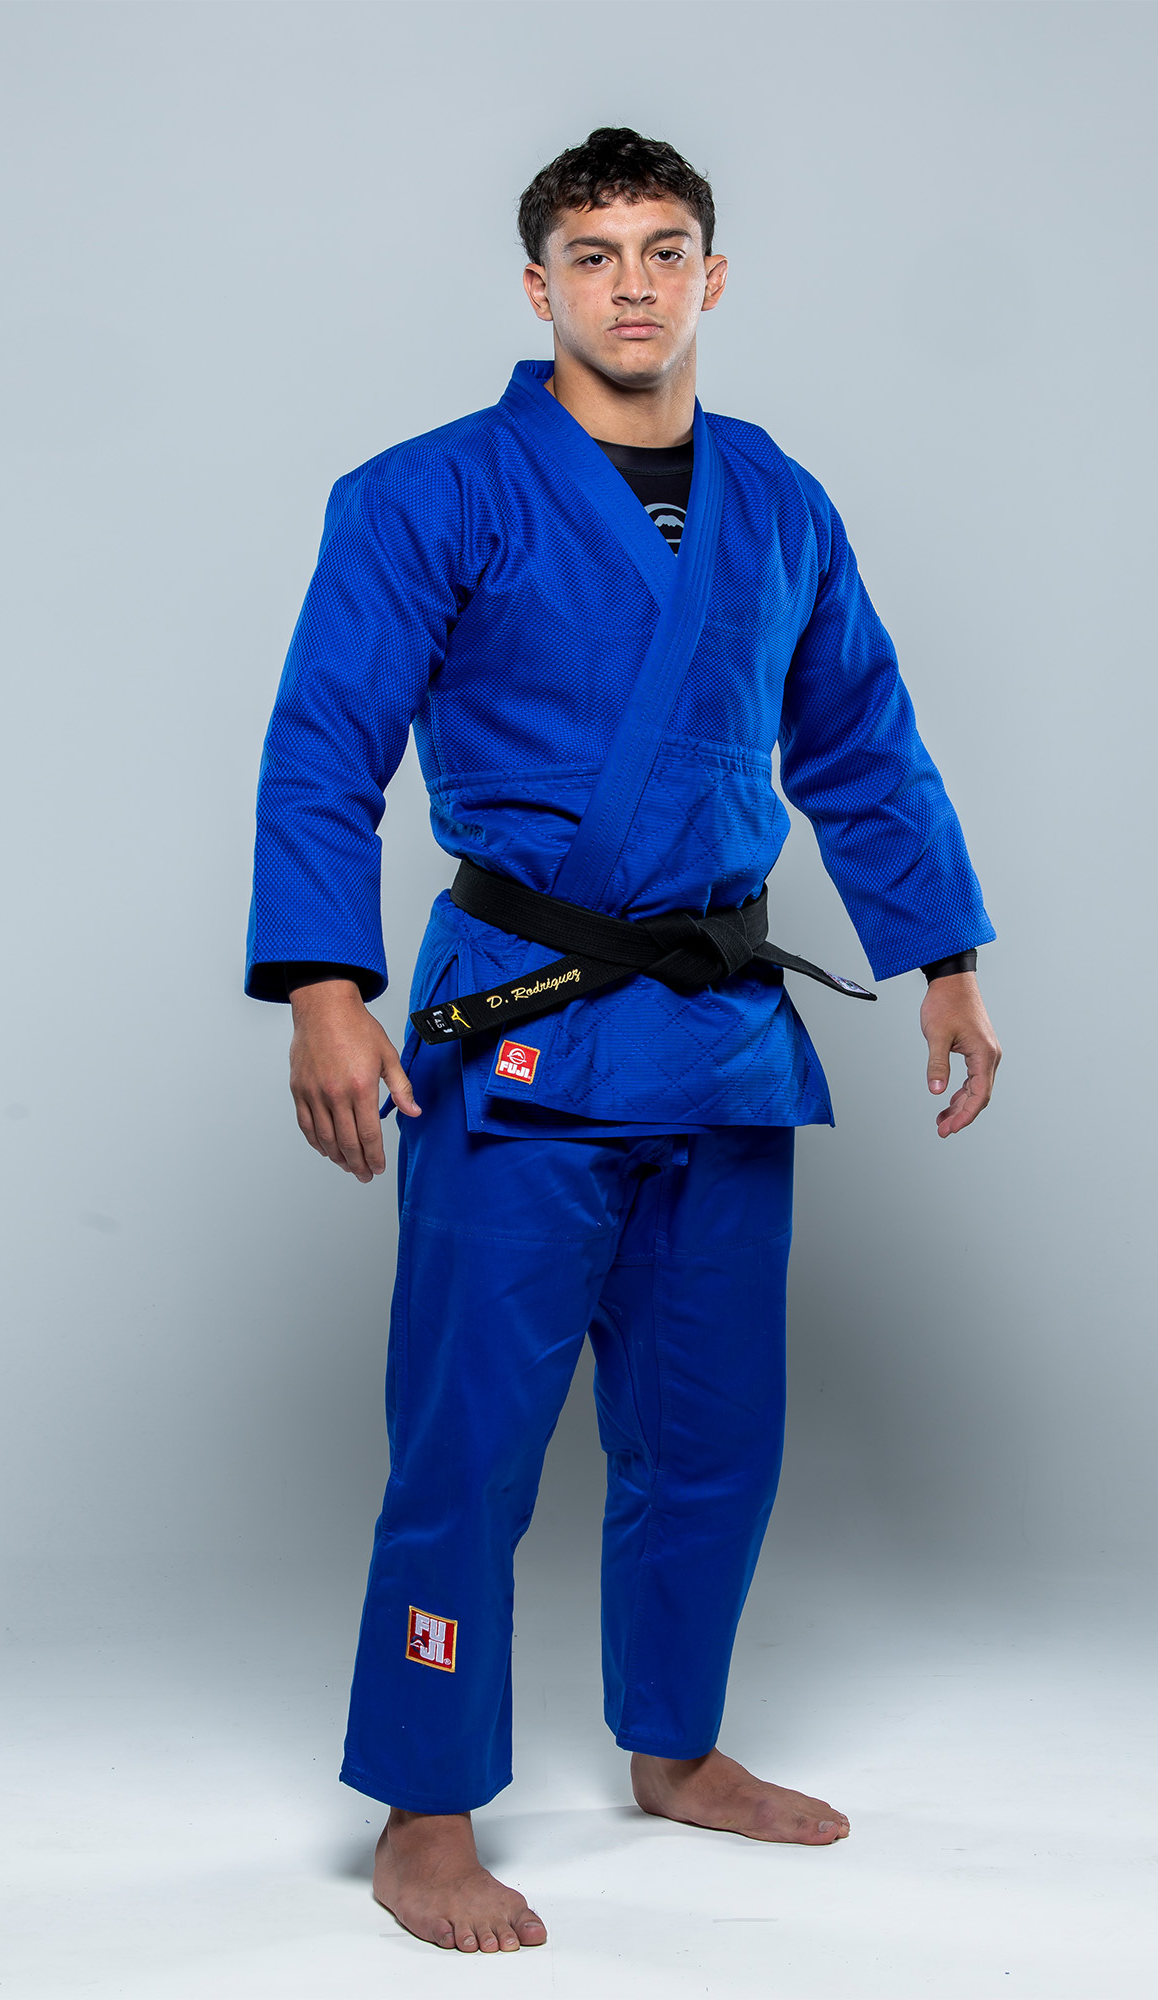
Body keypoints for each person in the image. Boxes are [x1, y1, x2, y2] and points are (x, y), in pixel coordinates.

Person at [245, 127, 1000, 1953]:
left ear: (714, 280)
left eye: (668, 251)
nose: (634, 284)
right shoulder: (427, 491)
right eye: (595, 256)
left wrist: (946, 957)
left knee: (713, 1432)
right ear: (540, 289)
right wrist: (325, 992)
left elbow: (861, 742)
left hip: (723, 1040)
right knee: (470, 1445)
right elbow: (323, 746)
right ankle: (427, 1809)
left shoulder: (779, 500)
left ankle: (674, 1746)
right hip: (522, 1045)